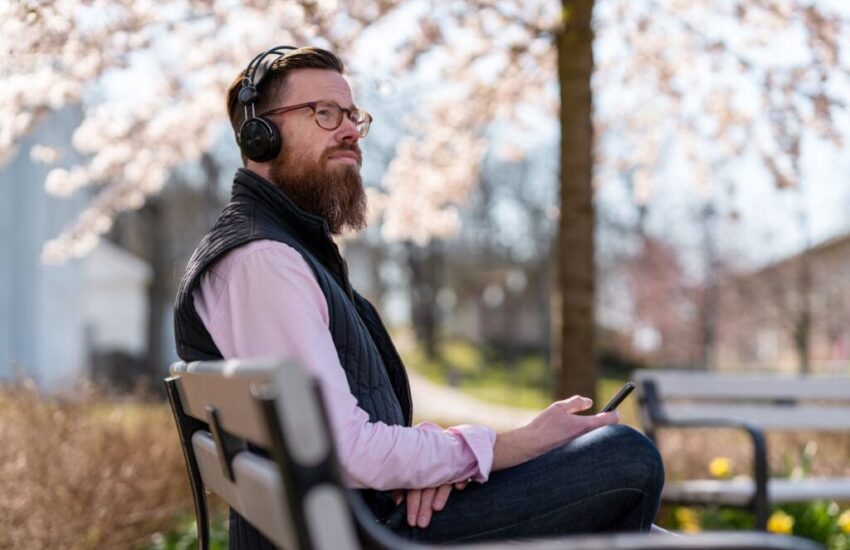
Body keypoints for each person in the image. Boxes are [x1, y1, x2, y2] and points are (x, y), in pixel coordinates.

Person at [174, 45, 664, 548]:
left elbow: (344, 433)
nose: (348, 130)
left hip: (361, 517)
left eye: (351, 116)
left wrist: (435, 466)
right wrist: (513, 444)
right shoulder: (263, 263)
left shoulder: (284, 252)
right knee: (627, 458)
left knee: (643, 512)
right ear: (261, 136)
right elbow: (346, 449)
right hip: (369, 534)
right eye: (323, 113)